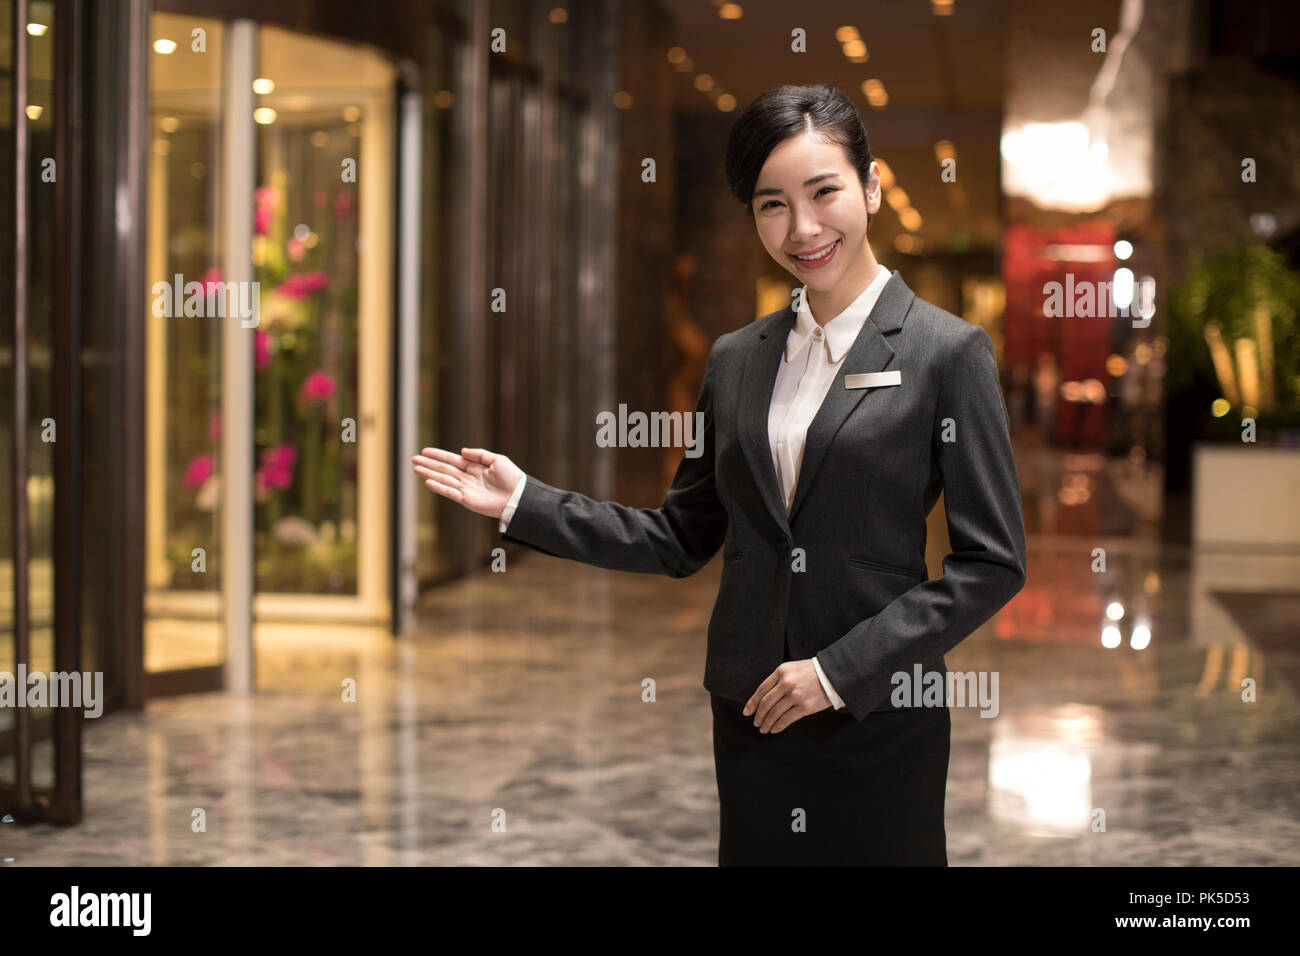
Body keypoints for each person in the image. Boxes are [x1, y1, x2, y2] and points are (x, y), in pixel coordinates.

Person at [412, 83, 1027, 866]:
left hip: (876, 712)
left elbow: (992, 564)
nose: (802, 228)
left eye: (824, 192)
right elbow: (680, 537)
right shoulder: (739, 358)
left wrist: (837, 672)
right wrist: (527, 502)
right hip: (753, 714)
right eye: (772, 204)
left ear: (870, 188)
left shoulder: (947, 352)